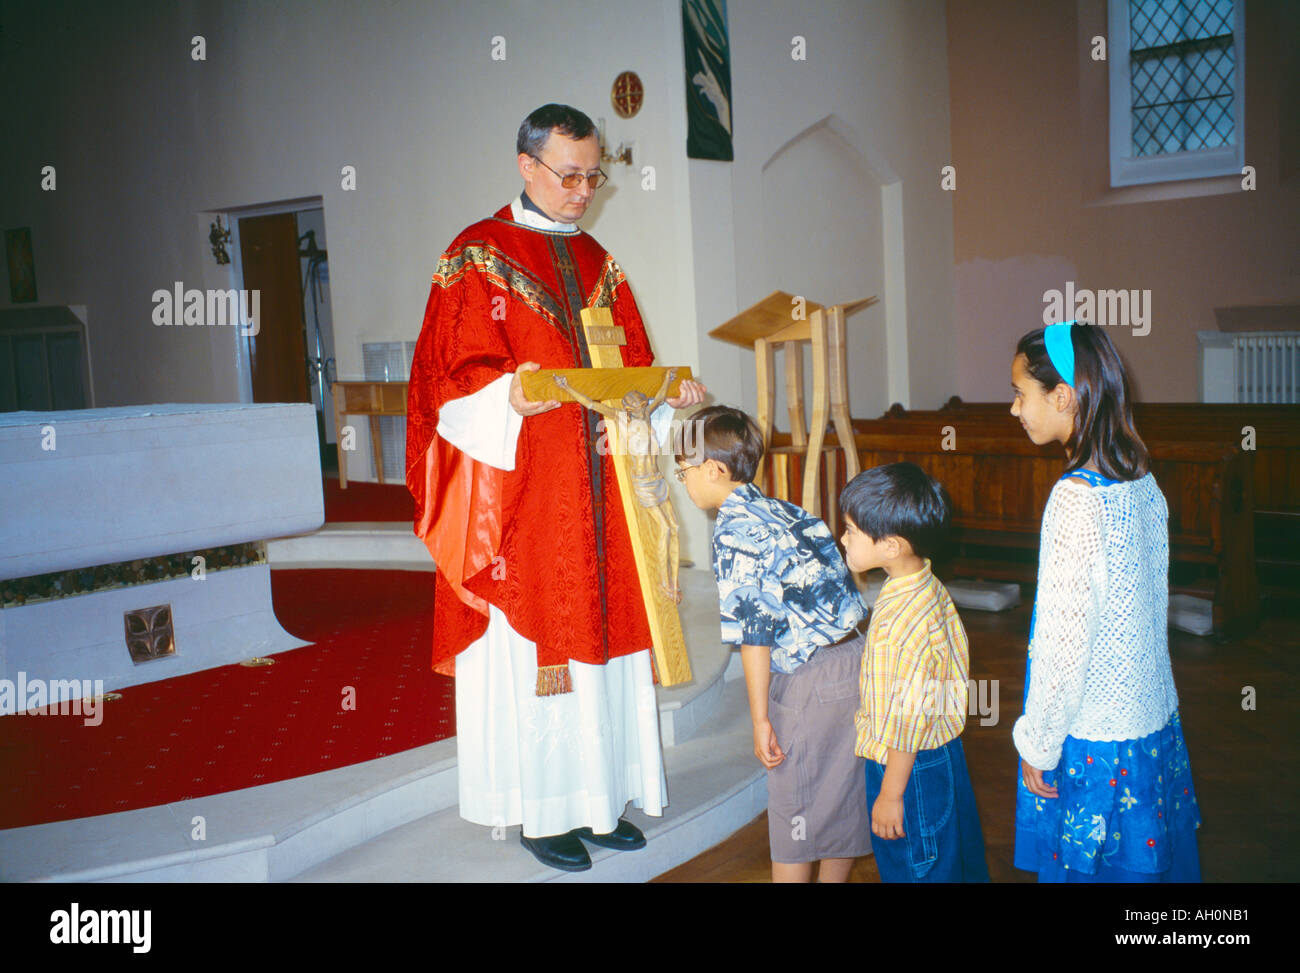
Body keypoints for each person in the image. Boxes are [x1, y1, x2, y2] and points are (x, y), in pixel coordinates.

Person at [405, 103, 705, 873]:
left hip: (604, 492)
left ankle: (601, 802)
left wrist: (663, 395)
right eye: (568, 175)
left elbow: (628, 368)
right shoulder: (476, 256)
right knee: (542, 657)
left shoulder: (602, 262)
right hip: (526, 500)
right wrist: (508, 395)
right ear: (525, 164)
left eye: (592, 175)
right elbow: (446, 382)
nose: (581, 191)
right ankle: (545, 811)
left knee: (606, 651)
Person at [1010, 321, 1201, 882]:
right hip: (1149, 721)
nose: (1014, 409)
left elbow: (1063, 642)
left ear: (1063, 396)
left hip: (1095, 738)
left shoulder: (1075, 501)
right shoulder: (1142, 481)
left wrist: (1039, 744)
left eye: (1021, 393)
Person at [676, 405, 870, 882]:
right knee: (842, 799)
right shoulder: (788, 510)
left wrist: (760, 718)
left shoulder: (735, 531)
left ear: (714, 470)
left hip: (812, 681)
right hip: (857, 659)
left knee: (795, 815)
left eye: (684, 471)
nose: (683, 481)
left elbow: (754, 634)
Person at [839, 461, 990, 883]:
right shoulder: (922, 582)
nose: (843, 537)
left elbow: (906, 719)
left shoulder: (903, 625)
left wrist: (891, 793)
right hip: (938, 755)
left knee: (914, 866)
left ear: (890, 545)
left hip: (906, 768)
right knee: (948, 858)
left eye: (851, 530)